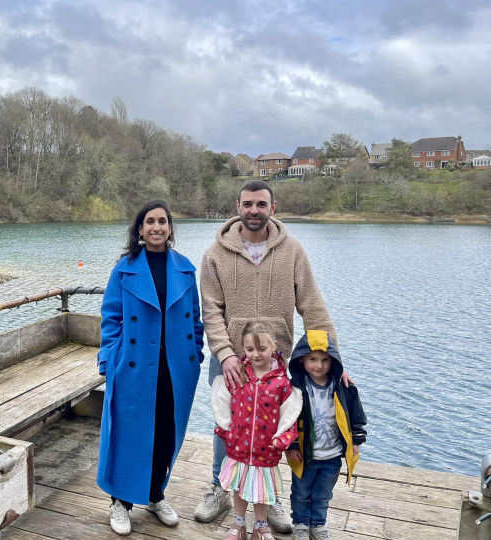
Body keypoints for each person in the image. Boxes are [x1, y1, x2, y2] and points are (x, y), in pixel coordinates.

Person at [196, 179, 347, 533]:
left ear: (272, 208)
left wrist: (335, 359)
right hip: (231, 359)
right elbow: (211, 310)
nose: (254, 210)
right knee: (227, 427)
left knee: (275, 429)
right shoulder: (214, 254)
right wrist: (226, 353)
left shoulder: (292, 250)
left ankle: (270, 499)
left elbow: (313, 307)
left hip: (277, 364)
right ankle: (220, 488)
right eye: (248, 204)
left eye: (261, 204)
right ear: (237, 206)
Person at [97, 200, 206, 536]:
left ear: (170, 228)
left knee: (165, 432)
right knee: (128, 433)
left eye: (163, 221)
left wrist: (196, 353)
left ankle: (156, 495)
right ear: (140, 230)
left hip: (175, 369)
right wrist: (108, 360)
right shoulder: (124, 268)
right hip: (133, 366)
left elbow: (195, 320)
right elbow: (111, 318)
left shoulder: (185, 268)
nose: (157, 227)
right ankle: (121, 502)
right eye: (150, 222)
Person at [211, 321, 302, 540]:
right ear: (243, 347)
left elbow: (290, 415)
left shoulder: (282, 383)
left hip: (266, 449)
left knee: (262, 490)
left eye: (262, 349)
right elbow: (224, 403)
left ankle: (261, 526)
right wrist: (225, 429)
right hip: (239, 446)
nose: (256, 354)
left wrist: (284, 439)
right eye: (250, 349)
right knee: (239, 485)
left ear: (274, 346)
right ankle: (238, 524)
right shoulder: (239, 375)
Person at [286, 330, 367, 540]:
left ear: (334, 361)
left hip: (332, 455)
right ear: (301, 359)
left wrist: (356, 442)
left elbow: (356, 417)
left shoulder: (344, 387)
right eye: (312, 359)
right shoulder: (295, 388)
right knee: (301, 492)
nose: (319, 365)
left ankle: (318, 524)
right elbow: (288, 420)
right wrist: (293, 446)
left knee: (323, 494)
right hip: (305, 455)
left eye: (325, 360)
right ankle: (301, 523)